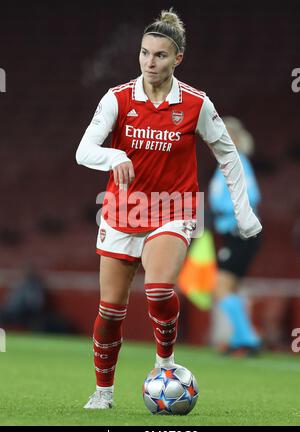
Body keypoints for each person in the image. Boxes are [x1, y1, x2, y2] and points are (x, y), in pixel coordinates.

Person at [75, 9, 262, 409]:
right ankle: (103, 392)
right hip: (123, 211)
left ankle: (165, 365)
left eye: (159, 55)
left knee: (159, 289)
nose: (149, 62)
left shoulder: (196, 104)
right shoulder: (118, 98)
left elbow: (229, 156)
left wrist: (244, 213)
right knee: (110, 311)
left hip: (174, 208)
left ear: (177, 58)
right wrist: (112, 158)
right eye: (144, 53)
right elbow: (83, 151)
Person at [208, 117, 262, 355]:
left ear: (237, 140)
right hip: (233, 234)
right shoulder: (227, 164)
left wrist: (223, 211)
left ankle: (248, 338)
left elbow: (251, 197)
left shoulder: (238, 162)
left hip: (240, 232)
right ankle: (241, 338)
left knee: (221, 286)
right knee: (230, 287)